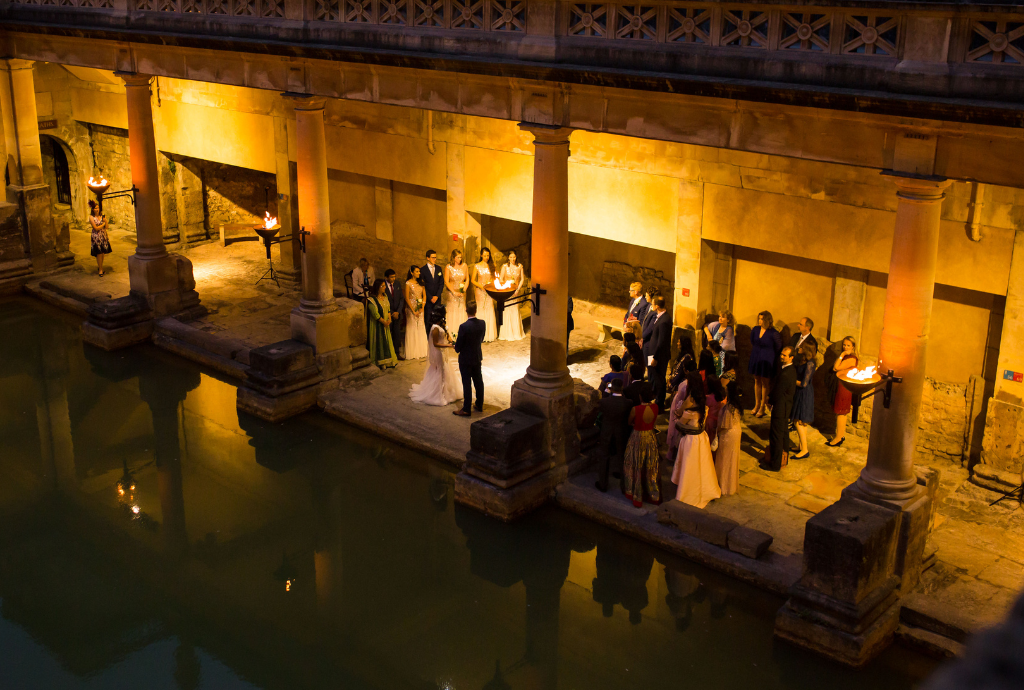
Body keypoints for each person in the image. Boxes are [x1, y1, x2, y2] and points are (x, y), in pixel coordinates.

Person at [671, 371, 721, 509]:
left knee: (690, 466)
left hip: (690, 440)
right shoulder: (703, 398)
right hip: (702, 438)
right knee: (702, 465)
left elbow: (680, 416)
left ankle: (688, 493)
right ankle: (705, 490)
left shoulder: (690, 399)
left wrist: (678, 414)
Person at [409, 306, 462, 406]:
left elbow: (448, 336)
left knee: (445, 369)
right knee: (440, 370)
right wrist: (449, 345)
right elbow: (435, 344)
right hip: (438, 352)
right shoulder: (435, 328)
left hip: (444, 352)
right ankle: (439, 394)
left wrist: (453, 341)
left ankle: (447, 391)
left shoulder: (442, 324)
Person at [623, 385, 660, 508]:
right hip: (650, 437)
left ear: (640, 397)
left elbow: (629, 422)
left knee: (635, 464)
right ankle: (652, 493)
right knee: (650, 465)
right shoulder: (656, 407)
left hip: (637, 438)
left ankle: (636, 493)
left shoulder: (636, 409)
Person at [596, 378, 633, 493]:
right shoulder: (628, 403)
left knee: (604, 456)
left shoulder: (604, 402)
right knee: (622, 457)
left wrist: (607, 391)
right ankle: (624, 486)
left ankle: (603, 483)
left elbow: (600, 410)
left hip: (607, 431)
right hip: (621, 432)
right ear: (622, 388)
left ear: (611, 388)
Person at [763, 346, 796, 471]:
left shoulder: (786, 374)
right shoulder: (789, 369)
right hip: (785, 406)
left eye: (784, 355)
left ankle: (775, 464)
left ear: (791, 357)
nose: (781, 357)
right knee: (783, 433)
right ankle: (784, 458)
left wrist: (769, 401)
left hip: (781, 407)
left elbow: (778, 392)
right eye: (781, 354)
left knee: (776, 435)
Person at [453, 301, 486, 416]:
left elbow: (458, 347)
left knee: (466, 383)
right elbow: (481, 339)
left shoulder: (463, 327)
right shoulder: (482, 323)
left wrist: (455, 347)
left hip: (465, 359)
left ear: (466, 311)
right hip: (476, 356)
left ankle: (466, 408)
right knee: (478, 381)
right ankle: (479, 404)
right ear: (476, 310)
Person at [827, 336, 859, 447]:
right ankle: (840, 435)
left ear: (853, 346)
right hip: (841, 385)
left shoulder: (851, 358)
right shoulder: (847, 356)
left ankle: (838, 438)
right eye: (844, 345)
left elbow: (836, 368)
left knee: (841, 412)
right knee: (841, 413)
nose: (845, 347)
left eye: (848, 345)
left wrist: (841, 355)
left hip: (844, 387)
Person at [749, 310, 782, 418]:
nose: (760, 320)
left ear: (767, 320)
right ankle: (757, 404)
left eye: (762, 319)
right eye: (759, 318)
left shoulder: (773, 333)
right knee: (756, 380)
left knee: (765, 383)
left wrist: (769, 354)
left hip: (767, 359)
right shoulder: (755, 329)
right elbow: (752, 341)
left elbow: (778, 347)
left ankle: (763, 406)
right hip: (756, 357)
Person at [641, 296, 672, 410]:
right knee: (654, 376)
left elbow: (662, 342)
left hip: (657, 356)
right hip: (652, 353)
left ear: (657, 306)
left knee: (659, 380)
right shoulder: (660, 317)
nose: (651, 305)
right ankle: (655, 395)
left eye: (653, 304)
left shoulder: (664, 320)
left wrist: (655, 358)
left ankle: (659, 404)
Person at [715, 379, 743, 495]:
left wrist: (717, 432)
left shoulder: (729, 408)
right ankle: (731, 485)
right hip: (736, 432)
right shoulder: (737, 405)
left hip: (728, 434)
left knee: (725, 459)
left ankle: (724, 486)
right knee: (732, 458)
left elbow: (725, 425)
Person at [666, 355, 696, 461]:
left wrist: (678, 409)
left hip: (679, 407)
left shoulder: (684, 384)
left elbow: (683, 398)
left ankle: (673, 454)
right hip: (681, 406)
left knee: (675, 431)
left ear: (685, 370)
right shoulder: (695, 381)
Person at [790, 342, 817, 459]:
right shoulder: (803, 360)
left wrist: (791, 380)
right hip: (800, 392)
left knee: (799, 421)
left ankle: (805, 449)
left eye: (801, 347)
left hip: (804, 394)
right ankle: (801, 446)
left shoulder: (810, 363)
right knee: (799, 421)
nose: (798, 348)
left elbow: (804, 383)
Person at [365, 279, 397, 369]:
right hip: (378, 325)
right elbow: (375, 314)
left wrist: (389, 319)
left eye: (384, 286)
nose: (384, 288)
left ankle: (388, 361)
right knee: (379, 342)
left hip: (386, 324)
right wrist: (384, 322)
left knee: (386, 342)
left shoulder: (385, 297)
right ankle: (379, 362)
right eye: (382, 286)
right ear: (377, 288)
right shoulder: (372, 300)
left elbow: (388, 309)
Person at [470, 248, 497, 342]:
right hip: (480, 291)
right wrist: (481, 286)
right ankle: (479, 334)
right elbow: (473, 280)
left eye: (488, 255)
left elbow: (494, 279)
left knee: (489, 308)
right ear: (481, 255)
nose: (486, 257)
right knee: (480, 309)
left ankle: (489, 334)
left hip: (489, 291)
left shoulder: (492, 265)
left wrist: (490, 284)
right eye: (485, 255)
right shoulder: (477, 266)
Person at [498, 249, 525, 341]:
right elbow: (501, 279)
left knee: (515, 309)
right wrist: (506, 286)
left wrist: (518, 289)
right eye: (511, 257)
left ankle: (516, 332)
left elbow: (522, 279)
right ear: (508, 258)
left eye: (514, 257)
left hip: (516, 292)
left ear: (516, 257)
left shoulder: (519, 266)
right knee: (507, 309)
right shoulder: (505, 267)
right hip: (507, 291)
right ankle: (507, 333)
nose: (512, 259)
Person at [403, 265, 428, 360]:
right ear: (412, 272)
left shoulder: (421, 283)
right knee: (412, 327)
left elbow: (424, 295)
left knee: (420, 327)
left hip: (421, 308)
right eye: (417, 271)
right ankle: (413, 351)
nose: (419, 273)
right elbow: (407, 298)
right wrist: (413, 310)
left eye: (419, 271)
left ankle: (422, 350)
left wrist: (422, 306)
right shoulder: (408, 283)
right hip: (411, 309)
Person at [444, 249, 469, 333]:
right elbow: (446, 281)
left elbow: (467, 279)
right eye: (458, 257)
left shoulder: (464, 266)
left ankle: (462, 333)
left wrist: (464, 290)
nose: (460, 259)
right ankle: (452, 333)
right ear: (453, 258)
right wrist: (453, 292)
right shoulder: (448, 267)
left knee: (461, 310)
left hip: (462, 293)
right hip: (452, 294)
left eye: (460, 257)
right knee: (452, 312)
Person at [421, 249, 444, 335]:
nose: (435, 259)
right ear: (428, 258)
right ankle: (428, 338)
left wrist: (437, 296)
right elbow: (423, 286)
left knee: (438, 318)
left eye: (435, 257)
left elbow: (441, 283)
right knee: (428, 319)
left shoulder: (438, 269)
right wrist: (430, 297)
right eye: (433, 257)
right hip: (428, 299)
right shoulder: (423, 270)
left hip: (437, 299)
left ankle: (437, 337)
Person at [383, 269, 403, 359]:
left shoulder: (397, 284)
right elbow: (383, 300)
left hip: (397, 313)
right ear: (386, 277)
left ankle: (397, 353)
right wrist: (391, 312)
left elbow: (401, 299)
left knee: (397, 333)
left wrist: (398, 311)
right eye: (391, 277)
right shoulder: (383, 286)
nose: (393, 278)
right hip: (388, 314)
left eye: (394, 276)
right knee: (389, 334)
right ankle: (388, 353)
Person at [88, 201, 112, 276]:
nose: (97, 209)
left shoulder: (102, 216)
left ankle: (100, 266)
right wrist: (103, 224)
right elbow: (96, 228)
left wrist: (106, 222)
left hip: (103, 236)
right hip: (96, 237)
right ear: (92, 209)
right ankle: (100, 269)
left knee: (102, 252)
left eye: (98, 208)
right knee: (99, 253)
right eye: (95, 208)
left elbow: (107, 227)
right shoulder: (91, 217)